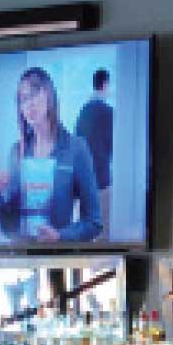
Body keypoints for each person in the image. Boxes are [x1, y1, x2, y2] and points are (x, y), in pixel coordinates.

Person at [0, 67, 105, 242]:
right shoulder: (16, 152)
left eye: (34, 93)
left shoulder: (76, 148)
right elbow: (8, 228)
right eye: (23, 99)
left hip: (57, 255)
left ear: (49, 96)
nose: (29, 103)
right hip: (21, 254)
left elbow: (93, 222)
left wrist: (60, 236)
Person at [75, 68, 115, 233]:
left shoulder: (83, 112)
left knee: (85, 231)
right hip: (102, 181)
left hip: (83, 183)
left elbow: (77, 146)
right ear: (105, 84)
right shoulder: (109, 112)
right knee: (103, 231)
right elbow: (114, 147)